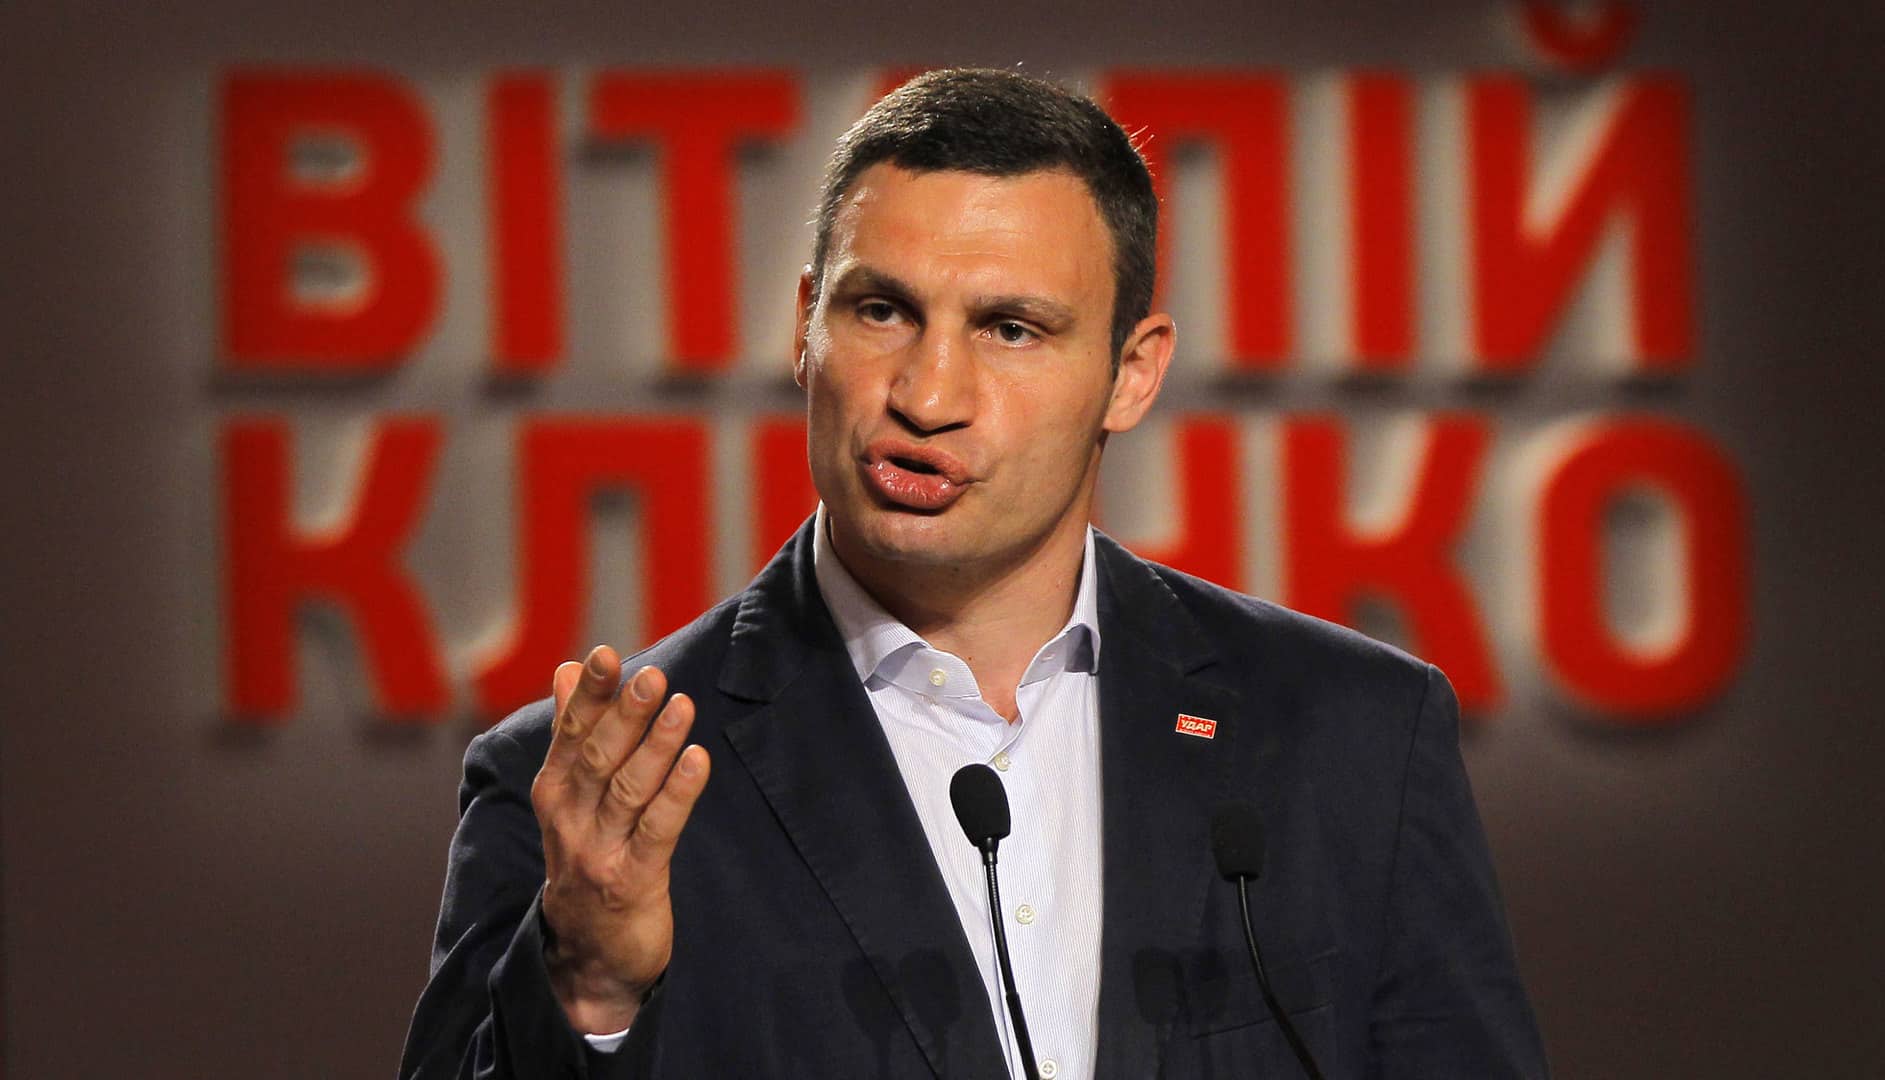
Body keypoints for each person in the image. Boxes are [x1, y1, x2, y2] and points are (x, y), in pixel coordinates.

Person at [399, 68, 1547, 1079]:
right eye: (881, 310)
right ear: (804, 327)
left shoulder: (1354, 740)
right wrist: (591, 991)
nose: (927, 395)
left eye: (1010, 328)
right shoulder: (586, 795)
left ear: (1132, 373)